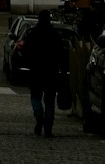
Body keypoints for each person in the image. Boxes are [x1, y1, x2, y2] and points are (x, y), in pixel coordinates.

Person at [23, 10, 69, 138]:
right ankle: (48, 128)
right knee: (49, 101)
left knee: (35, 98)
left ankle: (39, 118)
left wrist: (30, 63)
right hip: (51, 72)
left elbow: (26, 51)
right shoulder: (55, 34)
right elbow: (61, 54)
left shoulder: (33, 34)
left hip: (36, 71)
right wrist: (62, 69)